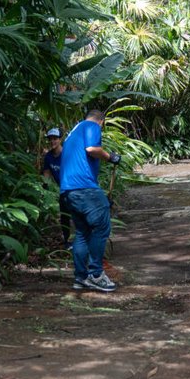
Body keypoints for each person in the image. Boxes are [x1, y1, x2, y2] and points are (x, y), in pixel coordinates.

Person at [59, 110, 122, 292]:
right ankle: (96, 275)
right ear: (102, 121)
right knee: (102, 227)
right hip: (84, 188)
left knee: (82, 233)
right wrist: (111, 157)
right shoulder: (92, 126)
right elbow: (92, 149)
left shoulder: (74, 130)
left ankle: (80, 277)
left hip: (68, 191)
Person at [42, 127, 72, 249]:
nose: (52, 141)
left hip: (74, 188)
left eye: (55, 139)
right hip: (63, 190)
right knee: (64, 217)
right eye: (50, 139)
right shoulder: (48, 157)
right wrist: (44, 189)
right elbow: (47, 173)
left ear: (60, 139)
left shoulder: (67, 154)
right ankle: (67, 242)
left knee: (77, 215)